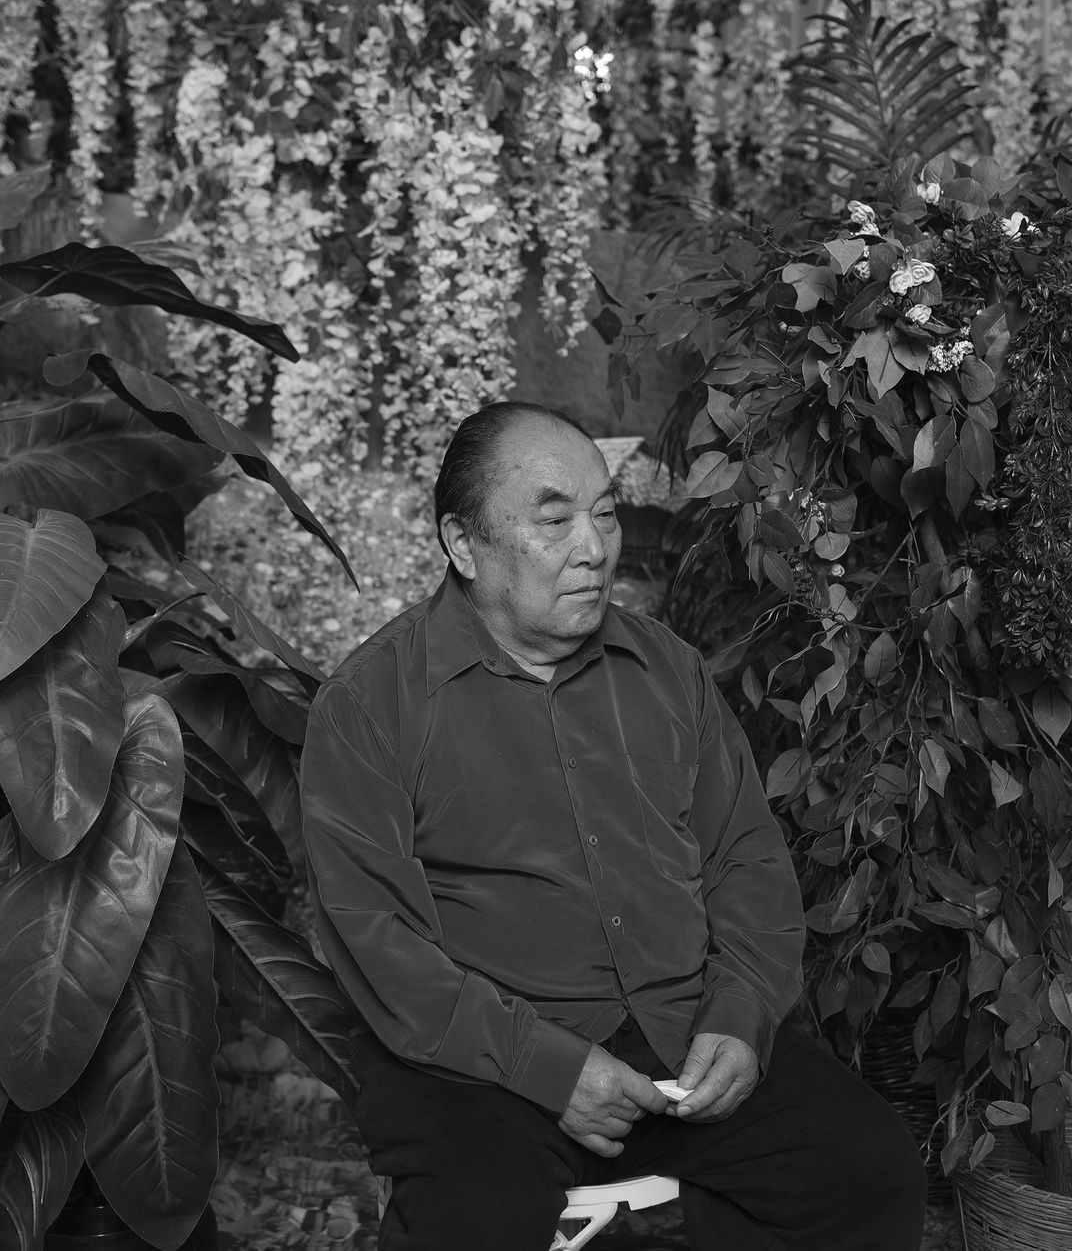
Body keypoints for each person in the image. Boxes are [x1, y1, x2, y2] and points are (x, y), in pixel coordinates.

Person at [300, 401, 926, 1251]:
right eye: (555, 521)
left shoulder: (666, 669)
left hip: (679, 1028)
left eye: (604, 514)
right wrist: (546, 1067)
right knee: (474, 1221)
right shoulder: (369, 705)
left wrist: (740, 1016)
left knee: (870, 1167)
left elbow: (745, 860)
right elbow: (379, 944)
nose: (594, 547)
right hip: (481, 1060)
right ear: (462, 543)